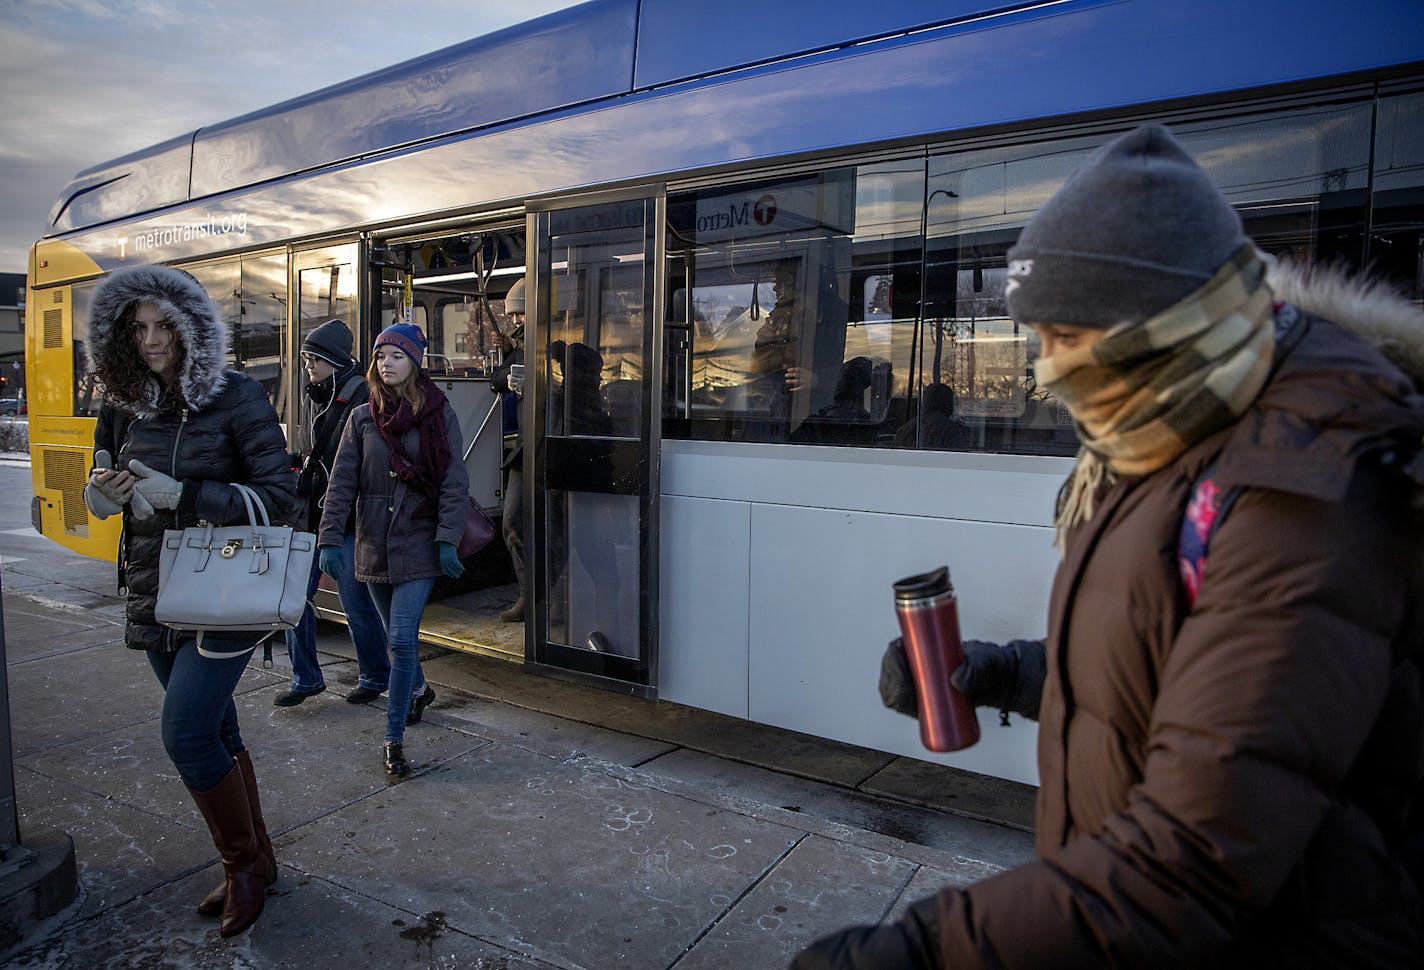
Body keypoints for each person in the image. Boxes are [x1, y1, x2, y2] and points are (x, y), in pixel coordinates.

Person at [794, 124, 1424, 967]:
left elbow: (1191, 862)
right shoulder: (1170, 424)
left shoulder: (1305, 490)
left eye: (1066, 337)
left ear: (1161, 319)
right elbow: (1176, 656)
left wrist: (916, 954)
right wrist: (1006, 671)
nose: (1046, 370)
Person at [81, 264, 296, 938]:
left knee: (183, 732)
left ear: (191, 327)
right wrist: (101, 494)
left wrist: (188, 497)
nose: (150, 339)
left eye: (162, 325)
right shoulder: (121, 401)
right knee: (216, 731)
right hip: (153, 588)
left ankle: (240, 868)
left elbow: (281, 500)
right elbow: (103, 470)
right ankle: (259, 859)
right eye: (137, 328)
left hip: (225, 591)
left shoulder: (236, 397)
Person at [316, 322, 470, 778]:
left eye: (396, 356)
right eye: (381, 356)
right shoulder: (362, 417)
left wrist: (447, 538)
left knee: (402, 640)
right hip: (372, 545)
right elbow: (341, 482)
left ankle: (393, 740)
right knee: (392, 640)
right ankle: (418, 690)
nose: (386, 364)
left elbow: (454, 482)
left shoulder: (440, 414)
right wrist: (329, 539)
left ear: (415, 363)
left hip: (419, 542)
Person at [276, 319, 391, 706]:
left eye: (315, 358)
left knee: (356, 604)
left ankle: (375, 675)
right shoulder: (318, 395)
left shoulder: (360, 397)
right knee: (294, 598)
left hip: (345, 518)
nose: (309, 365)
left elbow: (360, 462)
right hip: (313, 513)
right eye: (307, 358)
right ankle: (305, 677)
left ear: (335, 361)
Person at [488, 279, 526, 623]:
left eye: (522, 314)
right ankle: (528, 596)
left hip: (545, 446)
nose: (517, 322)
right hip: (524, 449)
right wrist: (512, 350)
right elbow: (499, 380)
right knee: (513, 523)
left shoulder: (554, 344)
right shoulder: (521, 348)